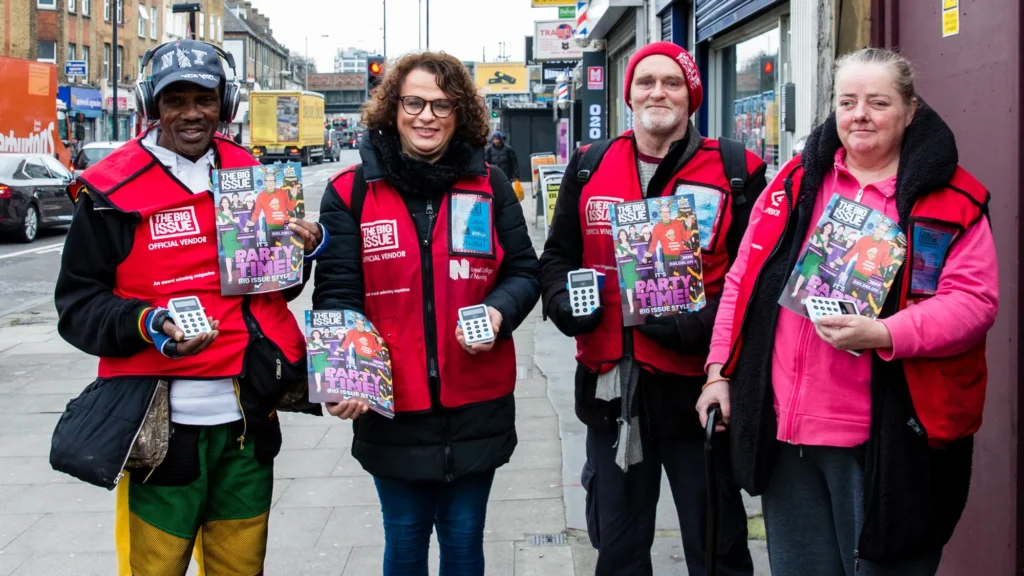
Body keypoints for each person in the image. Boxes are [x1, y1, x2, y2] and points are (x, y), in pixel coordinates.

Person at [696, 47, 998, 576]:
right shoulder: (794, 183)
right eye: (847, 101)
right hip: (788, 435)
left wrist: (886, 332)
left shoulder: (951, 199)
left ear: (910, 110)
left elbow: (973, 303)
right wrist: (718, 372)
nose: (859, 114)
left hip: (886, 440)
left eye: (878, 102)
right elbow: (743, 280)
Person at [52, 39, 326, 576]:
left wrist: (303, 250)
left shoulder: (253, 174)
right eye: (175, 100)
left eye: (204, 98)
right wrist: (147, 323)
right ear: (152, 106)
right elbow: (77, 306)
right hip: (161, 431)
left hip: (248, 420)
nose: (192, 113)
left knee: (242, 567)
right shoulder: (109, 192)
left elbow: (274, 291)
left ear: (225, 104)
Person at [540, 41, 766, 576]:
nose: (657, 91)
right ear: (628, 96)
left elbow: (755, 285)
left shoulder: (737, 170)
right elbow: (556, 257)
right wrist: (564, 306)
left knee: (717, 548)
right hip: (610, 387)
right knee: (617, 551)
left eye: (671, 82)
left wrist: (696, 328)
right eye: (646, 82)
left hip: (699, 391)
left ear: (692, 96)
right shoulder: (589, 165)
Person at [313, 51, 540, 576]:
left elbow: (525, 273)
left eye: (443, 105)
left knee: (464, 548)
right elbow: (338, 294)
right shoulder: (351, 192)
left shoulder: (488, 185)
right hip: (391, 406)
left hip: (475, 402)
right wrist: (342, 378)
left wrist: (499, 314)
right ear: (393, 108)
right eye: (414, 102)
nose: (427, 116)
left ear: (461, 114)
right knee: (406, 545)